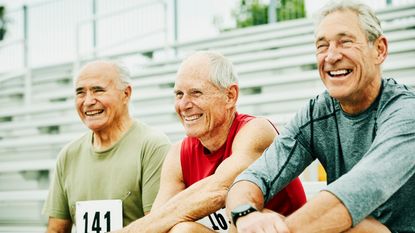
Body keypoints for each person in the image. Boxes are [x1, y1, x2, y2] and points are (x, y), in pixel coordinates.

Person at [226, 0, 415, 232]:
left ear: (380, 49)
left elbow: (355, 194)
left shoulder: (406, 113)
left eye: (345, 42)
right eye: (322, 46)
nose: (332, 56)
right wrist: (245, 214)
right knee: (252, 219)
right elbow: (254, 176)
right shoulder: (316, 113)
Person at [116, 51, 306, 233]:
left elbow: (219, 189)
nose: (184, 105)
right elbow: (159, 220)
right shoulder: (178, 154)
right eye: (179, 94)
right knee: (181, 230)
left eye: (196, 93)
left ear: (230, 96)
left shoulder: (257, 131)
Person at [42, 60, 171, 233]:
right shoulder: (68, 155)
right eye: (81, 93)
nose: (88, 101)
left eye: (98, 90)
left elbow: (158, 227)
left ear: (126, 94)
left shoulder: (153, 146)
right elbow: (56, 230)